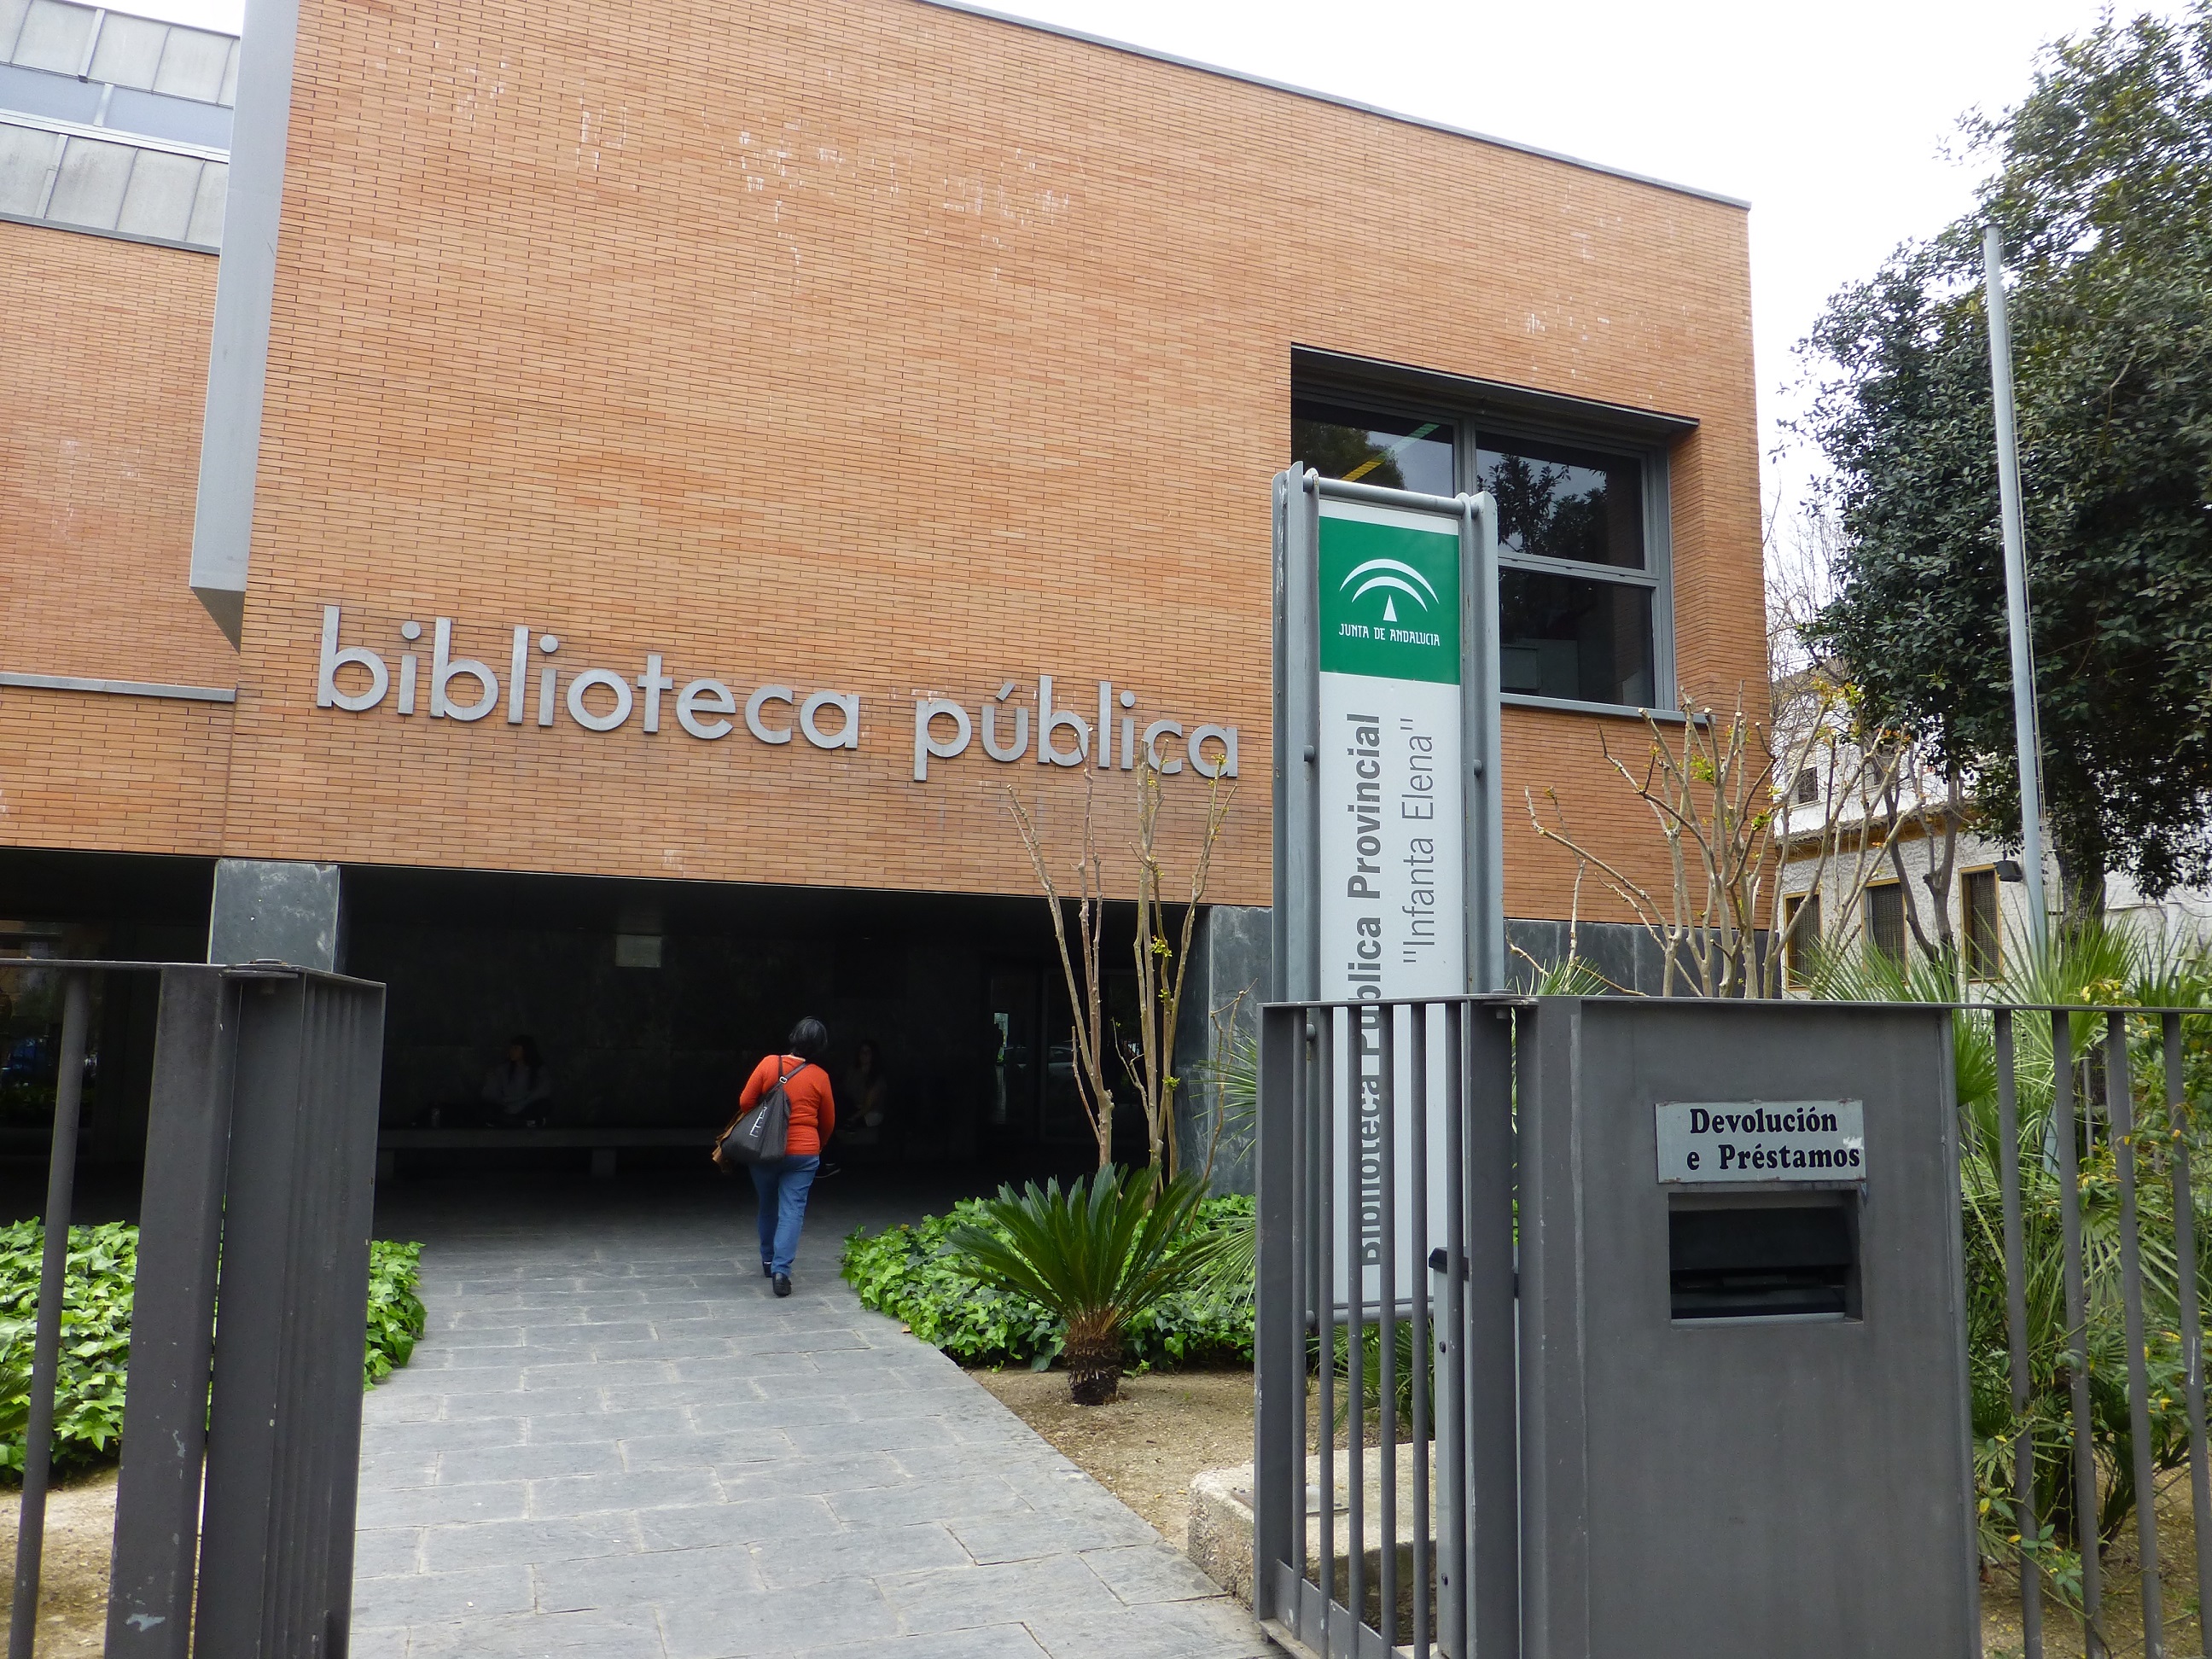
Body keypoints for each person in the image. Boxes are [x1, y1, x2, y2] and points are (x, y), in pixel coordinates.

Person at [736, 1017, 835, 1297]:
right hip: (803, 1153)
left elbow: (745, 1102)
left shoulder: (769, 1064)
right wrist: (817, 1146)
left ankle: (768, 1261)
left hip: (765, 1149)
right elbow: (828, 1121)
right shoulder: (820, 1076)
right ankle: (782, 1271)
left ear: (792, 1036)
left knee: (767, 1204)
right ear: (820, 1046)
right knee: (792, 1210)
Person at [481, 1035, 553, 1128]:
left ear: (526, 1050)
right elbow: (489, 1094)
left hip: (525, 1107)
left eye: (516, 1048)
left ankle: (513, 1122)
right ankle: (518, 1122)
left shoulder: (538, 1069)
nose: (512, 1051)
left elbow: (544, 1090)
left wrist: (522, 1103)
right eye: (511, 1048)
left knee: (544, 1105)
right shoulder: (503, 1069)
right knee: (485, 1109)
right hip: (506, 1107)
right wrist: (491, 1081)